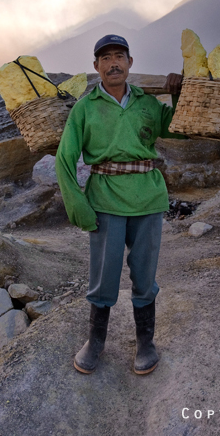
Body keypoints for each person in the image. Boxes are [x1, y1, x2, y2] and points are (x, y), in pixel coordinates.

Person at [55, 34, 186, 375]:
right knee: (104, 273)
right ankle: (95, 342)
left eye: (120, 56)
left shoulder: (147, 104)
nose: (113, 63)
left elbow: (181, 130)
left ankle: (146, 341)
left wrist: (178, 94)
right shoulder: (85, 108)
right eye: (106, 58)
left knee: (145, 272)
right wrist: (78, 204)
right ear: (96, 66)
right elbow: (65, 158)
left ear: (130, 63)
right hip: (106, 198)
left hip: (148, 196)